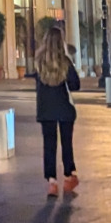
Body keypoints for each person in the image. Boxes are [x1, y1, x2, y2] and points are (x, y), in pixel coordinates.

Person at [33, 22, 81, 196]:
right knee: (66, 143)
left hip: (46, 109)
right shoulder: (65, 61)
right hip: (64, 107)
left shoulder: (39, 62)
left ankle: (52, 182)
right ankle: (68, 176)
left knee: (49, 145)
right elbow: (75, 85)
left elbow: (38, 84)